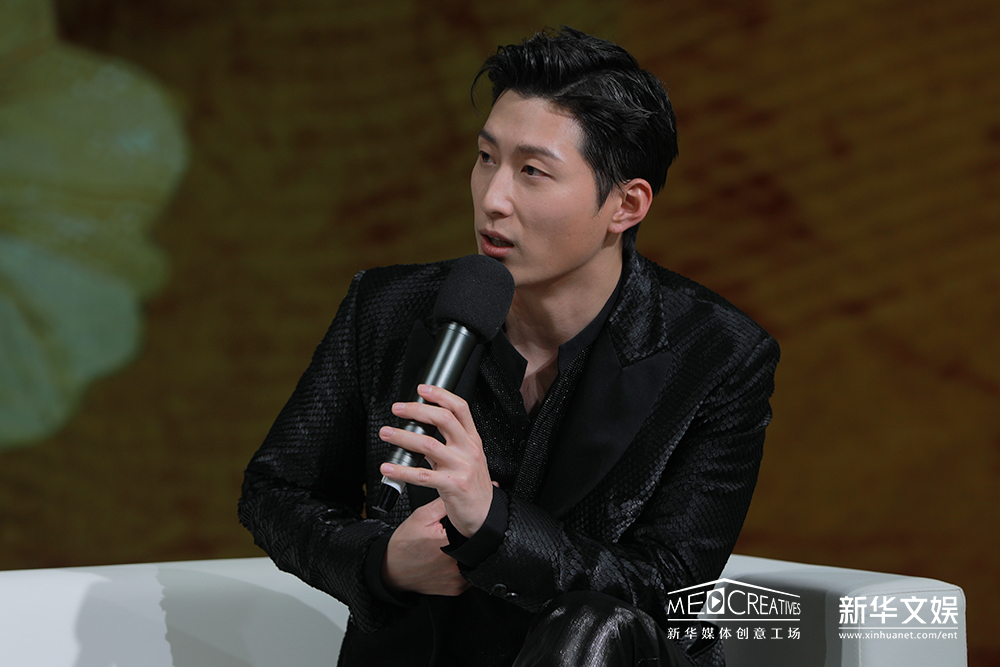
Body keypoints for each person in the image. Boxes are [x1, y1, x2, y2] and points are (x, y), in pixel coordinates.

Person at [239, 26, 779, 667]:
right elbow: (274, 493)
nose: (493, 199)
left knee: (591, 625)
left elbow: (670, 594)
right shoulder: (388, 309)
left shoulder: (717, 355)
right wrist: (382, 563)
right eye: (486, 158)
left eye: (532, 172)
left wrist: (493, 521)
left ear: (625, 205)